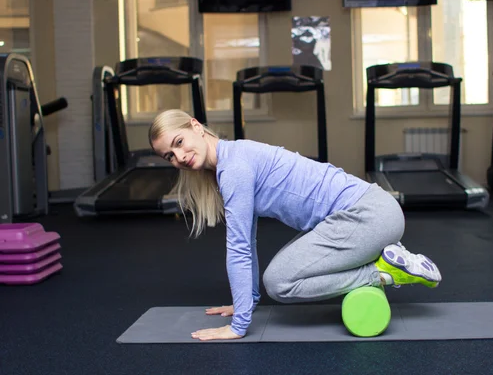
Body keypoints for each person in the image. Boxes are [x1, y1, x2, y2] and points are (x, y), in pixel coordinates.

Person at [148, 109, 442, 341]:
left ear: (196, 127)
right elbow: (247, 241)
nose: (179, 157)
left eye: (179, 142)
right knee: (281, 273)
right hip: (371, 213)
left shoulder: (234, 168)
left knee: (279, 282)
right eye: (169, 156)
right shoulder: (234, 157)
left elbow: (238, 249)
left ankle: (382, 272)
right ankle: (385, 261)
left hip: (369, 216)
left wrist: (238, 326)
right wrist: (246, 302)